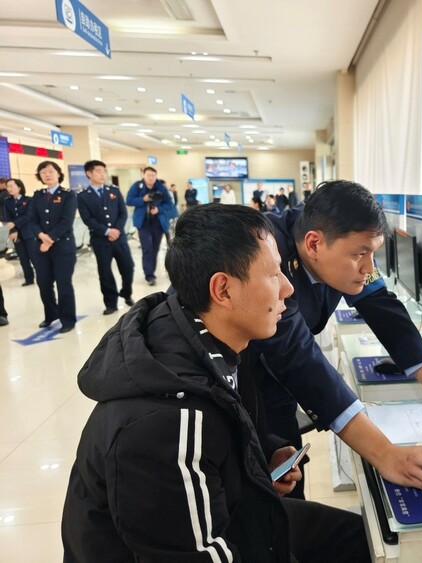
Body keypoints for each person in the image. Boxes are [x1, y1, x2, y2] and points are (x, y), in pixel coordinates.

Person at [61, 204, 369, 562]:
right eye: (273, 275)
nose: (287, 289)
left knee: (359, 538)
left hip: (225, 511)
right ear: (223, 290)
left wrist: (259, 459)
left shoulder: (204, 337)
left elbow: (223, 424)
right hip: (199, 541)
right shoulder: (166, 425)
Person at [240, 180, 422, 501]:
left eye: (373, 253)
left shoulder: (335, 240)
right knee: (265, 496)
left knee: (288, 478)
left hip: (279, 381)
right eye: (360, 254)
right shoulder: (267, 257)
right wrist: (386, 455)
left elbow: (381, 305)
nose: (369, 268)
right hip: (241, 384)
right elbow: (299, 357)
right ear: (313, 244)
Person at [77, 160, 135, 315]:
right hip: (100, 240)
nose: (102, 174)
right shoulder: (83, 196)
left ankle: (126, 293)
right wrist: (106, 231)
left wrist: (116, 230)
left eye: (104, 171)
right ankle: (111, 303)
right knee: (105, 272)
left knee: (128, 267)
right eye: (98, 171)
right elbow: (87, 218)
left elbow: (123, 213)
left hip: (119, 238)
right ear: (89, 174)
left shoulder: (114, 190)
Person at [26, 161, 78, 333]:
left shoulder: (68, 195)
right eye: (43, 172)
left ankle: (68, 319)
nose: (47, 175)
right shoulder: (37, 196)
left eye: (50, 171)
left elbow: (66, 221)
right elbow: (32, 220)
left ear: (58, 174)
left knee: (64, 284)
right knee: (43, 283)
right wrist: (41, 236)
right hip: (41, 248)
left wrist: (49, 240)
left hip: (63, 247)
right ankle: (51, 314)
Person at [126, 166, 175, 286]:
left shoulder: (161, 188)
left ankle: (151, 271)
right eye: (148, 175)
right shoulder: (137, 186)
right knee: (147, 247)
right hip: (143, 223)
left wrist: (159, 209)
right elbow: (129, 200)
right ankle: (149, 275)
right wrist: (143, 199)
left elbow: (170, 205)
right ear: (143, 175)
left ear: (156, 176)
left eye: (153, 175)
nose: (151, 177)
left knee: (155, 248)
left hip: (158, 223)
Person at [3, 178, 35, 286]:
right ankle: (29, 279)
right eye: (8, 187)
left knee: (34, 257)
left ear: (19, 187)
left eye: (11, 186)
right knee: (23, 258)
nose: (9, 188)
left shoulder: (29, 200)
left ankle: (43, 278)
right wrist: (13, 230)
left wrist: (14, 223)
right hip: (16, 235)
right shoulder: (7, 201)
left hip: (29, 233)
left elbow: (28, 216)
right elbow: (8, 218)